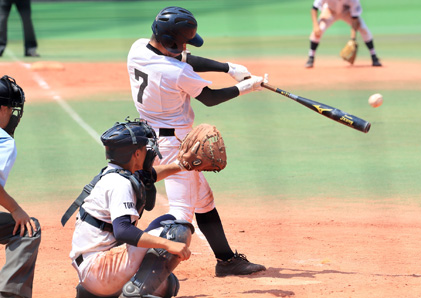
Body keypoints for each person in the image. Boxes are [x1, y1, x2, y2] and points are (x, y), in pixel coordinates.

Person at [127, 6, 267, 277]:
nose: (185, 47)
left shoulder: (138, 48)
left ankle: (227, 261)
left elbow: (184, 58)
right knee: (181, 215)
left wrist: (229, 68)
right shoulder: (175, 73)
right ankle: (148, 276)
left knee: (203, 200)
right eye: (182, 42)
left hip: (149, 140)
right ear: (170, 42)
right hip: (177, 147)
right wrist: (246, 87)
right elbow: (210, 98)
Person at [66, 119, 194, 298]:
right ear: (136, 154)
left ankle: (94, 294)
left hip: (94, 269)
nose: (150, 151)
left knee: (168, 284)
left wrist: (183, 165)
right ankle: (132, 294)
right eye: (145, 147)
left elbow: (150, 176)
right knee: (176, 231)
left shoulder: (116, 173)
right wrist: (169, 243)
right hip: (99, 270)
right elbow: (123, 231)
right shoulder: (120, 184)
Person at [0, 75, 41, 298]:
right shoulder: (3, 141)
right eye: (12, 109)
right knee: (28, 230)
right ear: (2, 109)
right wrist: (16, 210)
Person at [305, 0, 382, 68]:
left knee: (363, 28)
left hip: (346, 13)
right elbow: (314, 8)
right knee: (319, 29)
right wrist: (315, 26)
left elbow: (354, 18)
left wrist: (353, 39)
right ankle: (311, 57)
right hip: (330, 11)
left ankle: (374, 56)